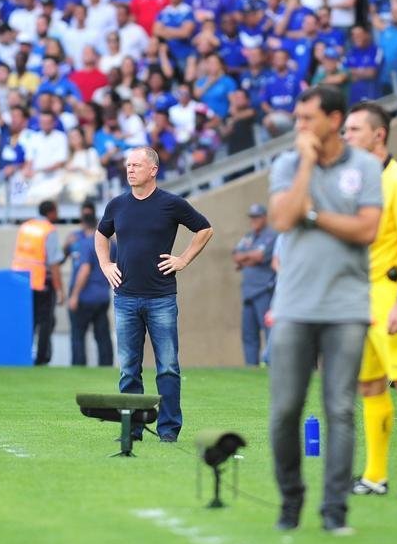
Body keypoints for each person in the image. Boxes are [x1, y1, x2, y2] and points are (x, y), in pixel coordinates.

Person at [266, 85, 382, 534]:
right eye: (297, 119)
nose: (300, 127)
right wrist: (307, 164)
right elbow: (281, 219)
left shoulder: (366, 168)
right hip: (294, 305)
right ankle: (290, 503)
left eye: (307, 119)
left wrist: (313, 216)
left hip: (347, 306)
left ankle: (335, 511)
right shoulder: (287, 164)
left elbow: (366, 229)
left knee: (339, 409)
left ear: (334, 120)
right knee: (284, 411)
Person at [342, 102, 397, 500]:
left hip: (388, 295)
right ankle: (374, 476)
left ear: (378, 135)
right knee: (370, 385)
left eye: (355, 129)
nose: (347, 136)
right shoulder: (353, 178)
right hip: (356, 296)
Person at [95, 147, 213, 443]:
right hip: (125, 298)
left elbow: (204, 229)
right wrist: (106, 264)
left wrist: (183, 259)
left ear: (153, 170)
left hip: (161, 297)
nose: (130, 170)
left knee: (168, 368)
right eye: (128, 165)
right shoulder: (117, 205)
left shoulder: (171, 204)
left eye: (136, 165)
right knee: (129, 370)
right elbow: (101, 234)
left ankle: (169, 430)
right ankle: (132, 429)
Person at [11, 200, 64, 366]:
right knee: (45, 322)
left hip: (21, 281)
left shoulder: (25, 227)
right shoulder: (49, 230)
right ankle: (41, 358)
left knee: (28, 321)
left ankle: (23, 355)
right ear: (50, 212)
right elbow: (54, 262)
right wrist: (60, 289)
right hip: (41, 282)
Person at [67, 209, 114, 367]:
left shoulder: (87, 243)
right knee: (102, 336)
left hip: (85, 297)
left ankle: (78, 367)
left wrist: (74, 295)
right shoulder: (111, 244)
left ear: (82, 223)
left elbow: (84, 270)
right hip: (103, 296)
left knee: (78, 336)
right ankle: (106, 366)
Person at [233, 203, 277, 366]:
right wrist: (247, 258)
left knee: (270, 333)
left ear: (264, 217)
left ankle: (272, 366)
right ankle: (251, 369)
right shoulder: (248, 237)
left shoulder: (272, 235)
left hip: (264, 290)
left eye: (257, 217)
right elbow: (235, 255)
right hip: (248, 291)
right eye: (252, 217)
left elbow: (260, 256)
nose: (254, 220)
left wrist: (246, 258)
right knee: (249, 335)